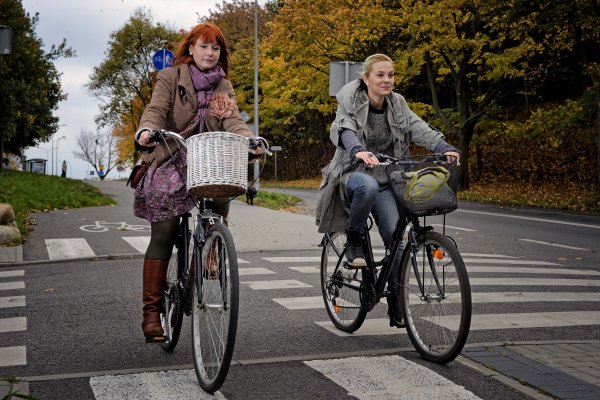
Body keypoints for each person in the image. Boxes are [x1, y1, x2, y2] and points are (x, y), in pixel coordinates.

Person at [133, 22, 260, 342]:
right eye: (204, 46)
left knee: (223, 186)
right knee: (164, 228)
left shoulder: (223, 85)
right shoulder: (170, 77)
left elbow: (232, 120)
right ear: (191, 49)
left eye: (215, 48)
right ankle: (152, 313)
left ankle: (212, 246)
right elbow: (155, 110)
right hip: (172, 155)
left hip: (208, 159)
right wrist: (146, 131)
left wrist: (249, 140)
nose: (209, 53)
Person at [316, 54, 460, 328]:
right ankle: (355, 239)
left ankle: (396, 299)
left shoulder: (398, 104)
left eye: (390, 75)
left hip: (388, 178)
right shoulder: (351, 99)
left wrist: (444, 147)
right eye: (380, 75)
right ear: (366, 78)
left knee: (398, 241)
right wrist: (359, 151)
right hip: (354, 173)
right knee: (367, 185)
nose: (386, 80)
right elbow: (344, 129)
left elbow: (419, 128)